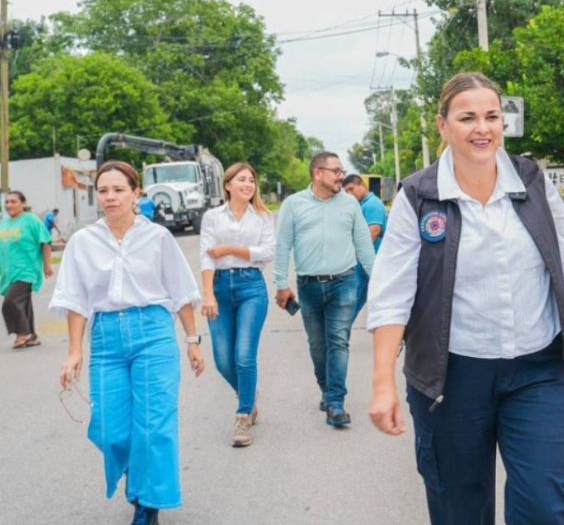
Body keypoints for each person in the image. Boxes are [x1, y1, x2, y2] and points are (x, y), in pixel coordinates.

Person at [367, 72, 564, 525]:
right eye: (467, 118)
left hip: (536, 371)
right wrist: (382, 380)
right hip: (451, 378)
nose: (482, 128)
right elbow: (392, 295)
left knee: (544, 504)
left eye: (491, 116)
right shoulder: (419, 197)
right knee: (459, 508)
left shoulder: (531, 183)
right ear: (443, 126)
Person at [52, 161, 205, 525]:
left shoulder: (158, 238)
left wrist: (193, 340)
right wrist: (75, 352)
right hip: (107, 338)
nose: (110, 197)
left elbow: (182, 292)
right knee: (109, 427)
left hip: (153, 332)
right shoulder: (82, 242)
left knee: (154, 424)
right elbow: (75, 300)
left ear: (136, 193)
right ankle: (139, 475)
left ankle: (146, 503)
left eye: (118, 189)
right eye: (103, 190)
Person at [274, 152, 375, 428]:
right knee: (318, 345)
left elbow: (364, 245)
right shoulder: (294, 205)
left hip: (344, 282)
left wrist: (377, 281)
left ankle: (335, 403)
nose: (341, 176)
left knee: (338, 341)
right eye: (336, 171)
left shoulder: (350, 204)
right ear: (318, 173)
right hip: (308, 286)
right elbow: (283, 246)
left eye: (342, 171)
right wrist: (281, 284)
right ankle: (327, 389)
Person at [199, 162, 275, 447]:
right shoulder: (212, 217)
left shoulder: (263, 217)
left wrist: (230, 250)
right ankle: (249, 396)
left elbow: (266, 253)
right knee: (222, 360)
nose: (248, 184)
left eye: (252, 180)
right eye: (241, 180)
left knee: (244, 356)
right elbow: (207, 256)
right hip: (218, 286)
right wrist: (208, 294)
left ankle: (243, 416)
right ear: (228, 184)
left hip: (251, 287)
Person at [1, 191, 53, 349]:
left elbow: (45, 242)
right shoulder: (4, 223)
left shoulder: (31, 220)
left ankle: (23, 334)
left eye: (14, 202)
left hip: (27, 271)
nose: (9, 205)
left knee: (11, 302)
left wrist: (47, 264)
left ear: (23, 204)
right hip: (9, 272)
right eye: (7, 202)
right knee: (23, 304)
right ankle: (32, 337)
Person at [342, 174, 388, 320]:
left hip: (371, 262)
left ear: (362, 185)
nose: (349, 194)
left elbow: (373, 232)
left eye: (351, 189)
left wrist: (355, 255)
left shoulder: (372, 204)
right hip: (365, 262)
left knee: (352, 301)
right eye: (346, 191)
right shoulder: (361, 205)